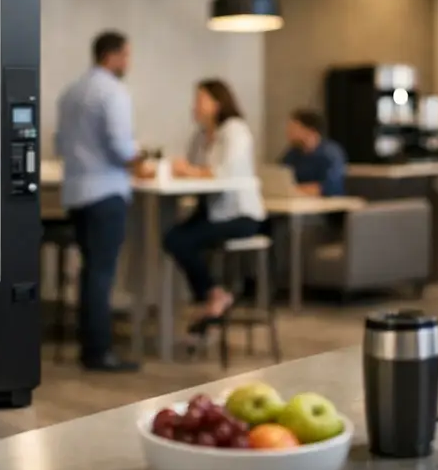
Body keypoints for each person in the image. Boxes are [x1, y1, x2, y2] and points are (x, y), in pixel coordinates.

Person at [55, 31, 153, 372]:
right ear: (111, 56)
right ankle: (98, 352)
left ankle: (90, 345)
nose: (128, 63)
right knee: (101, 274)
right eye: (126, 55)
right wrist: (140, 162)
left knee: (89, 271)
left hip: (76, 193)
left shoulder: (71, 92)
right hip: (105, 193)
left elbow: (59, 143)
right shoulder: (112, 91)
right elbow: (121, 145)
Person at [164, 79, 265, 337]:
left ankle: (213, 296)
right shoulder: (200, 136)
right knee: (173, 238)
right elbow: (193, 170)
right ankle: (214, 296)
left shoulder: (235, 131)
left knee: (179, 240)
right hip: (211, 210)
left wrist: (188, 171)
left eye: (200, 99)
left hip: (240, 214)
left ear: (218, 103)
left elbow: (223, 173)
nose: (195, 105)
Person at [280, 109, 347, 197]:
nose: (288, 131)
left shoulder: (330, 153)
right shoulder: (292, 154)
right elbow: (281, 178)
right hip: (299, 202)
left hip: (328, 204)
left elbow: (328, 188)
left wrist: (294, 189)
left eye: (294, 128)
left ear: (310, 131)